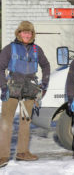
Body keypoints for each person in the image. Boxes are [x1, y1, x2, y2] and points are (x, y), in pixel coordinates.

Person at [0, 21, 50, 168]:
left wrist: (44, 84)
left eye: (29, 32)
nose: (27, 35)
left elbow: (46, 65)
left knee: (25, 122)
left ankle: (22, 152)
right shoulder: (9, 48)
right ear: (19, 33)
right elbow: (0, 67)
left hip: (29, 88)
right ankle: (2, 155)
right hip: (12, 87)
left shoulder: (37, 50)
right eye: (24, 32)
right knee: (6, 123)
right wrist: (3, 86)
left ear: (32, 34)